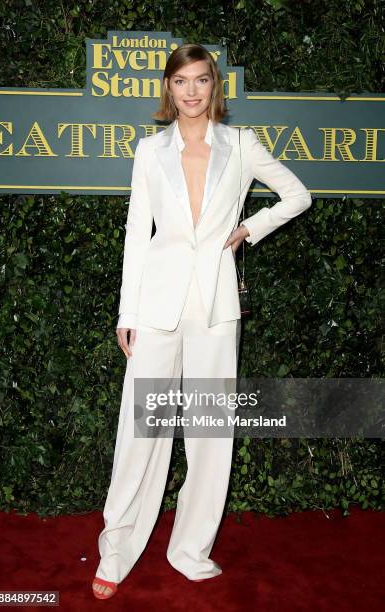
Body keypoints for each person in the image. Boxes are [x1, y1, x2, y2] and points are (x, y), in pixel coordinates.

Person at [92, 43, 312, 600]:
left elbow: (297, 194)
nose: (191, 91)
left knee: (211, 434)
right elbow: (136, 235)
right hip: (158, 304)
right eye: (181, 81)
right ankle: (115, 551)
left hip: (215, 309)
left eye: (201, 81)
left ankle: (190, 549)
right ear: (168, 89)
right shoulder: (149, 151)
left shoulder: (240, 145)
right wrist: (128, 311)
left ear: (214, 87)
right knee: (139, 429)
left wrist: (249, 229)